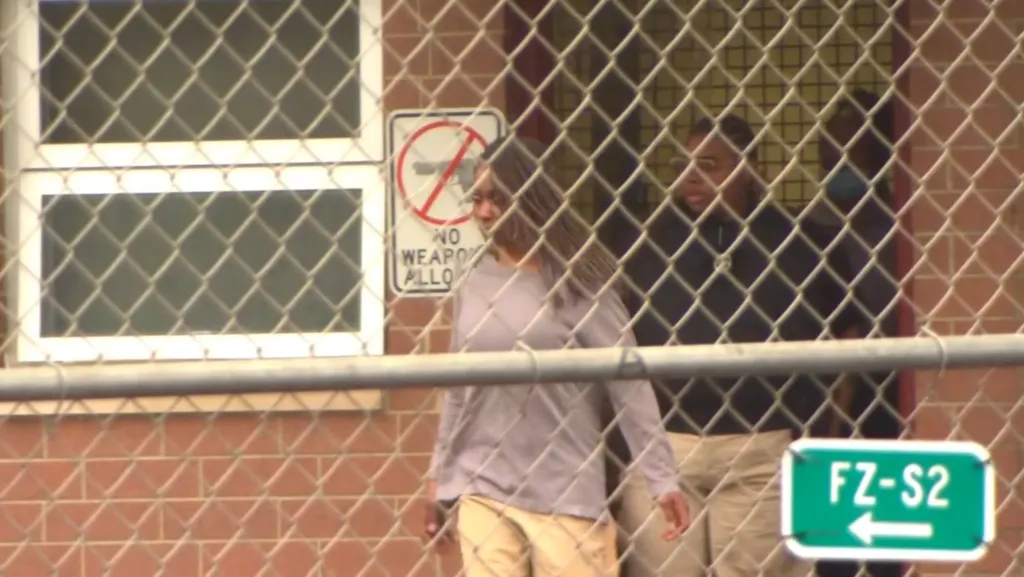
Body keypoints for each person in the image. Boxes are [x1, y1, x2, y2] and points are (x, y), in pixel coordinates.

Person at [423, 136, 690, 577]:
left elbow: (629, 385)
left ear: (533, 199)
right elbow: (458, 390)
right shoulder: (474, 281)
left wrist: (662, 478)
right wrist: (439, 477)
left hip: (564, 489)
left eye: (499, 199)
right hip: (482, 483)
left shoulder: (579, 282)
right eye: (478, 199)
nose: (486, 212)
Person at [617, 113, 864, 577]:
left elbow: (847, 333)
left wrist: (828, 429)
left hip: (761, 446)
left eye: (709, 164)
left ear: (746, 168)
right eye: (683, 164)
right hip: (666, 447)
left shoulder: (800, 242)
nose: (692, 176)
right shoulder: (646, 240)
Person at [813, 90, 903, 577]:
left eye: (852, 153)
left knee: (888, 520)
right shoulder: (810, 225)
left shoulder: (902, 220)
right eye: (830, 154)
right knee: (833, 524)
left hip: (893, 379)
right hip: (830, 384)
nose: (839, 165)